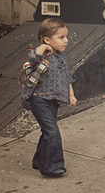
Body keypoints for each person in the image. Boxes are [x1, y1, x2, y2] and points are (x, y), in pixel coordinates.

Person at [21, 18, 77, 177]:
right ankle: (51, 167)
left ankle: (39, 160)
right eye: (61, 37)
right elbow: (32, 58)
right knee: (52, 132)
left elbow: (67, 78)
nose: (66, 41)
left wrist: (71, 95)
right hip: (39, 100)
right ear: (47, 39)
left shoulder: (61, 57)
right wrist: (43, 47)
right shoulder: (41, 55)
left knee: (47, 131)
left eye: (66, 37)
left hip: (52, 102)